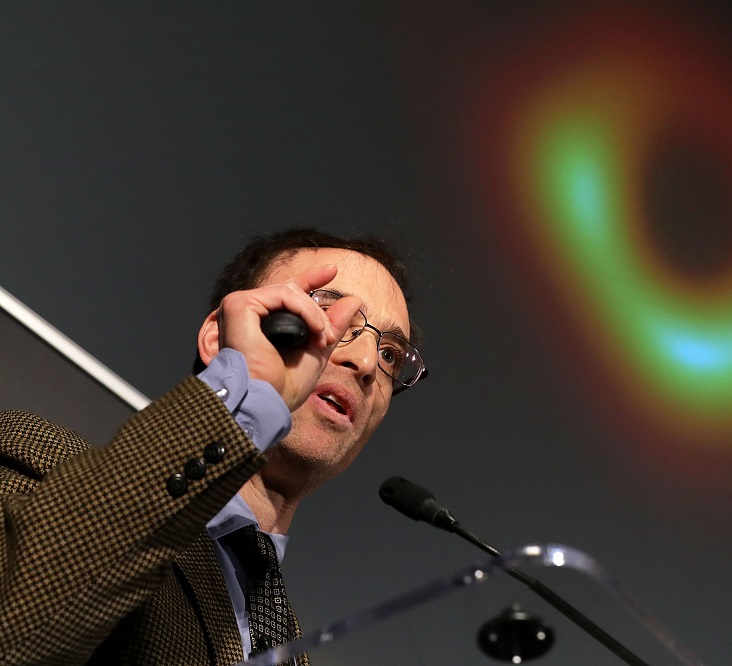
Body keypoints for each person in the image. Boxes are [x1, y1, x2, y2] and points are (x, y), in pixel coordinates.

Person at [0, 228, 425, 665]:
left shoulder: (289, 650)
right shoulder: (40, 461)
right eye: (327, 316)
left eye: (391, 354)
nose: (367, 362)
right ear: (219, 338)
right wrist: (247, 391)